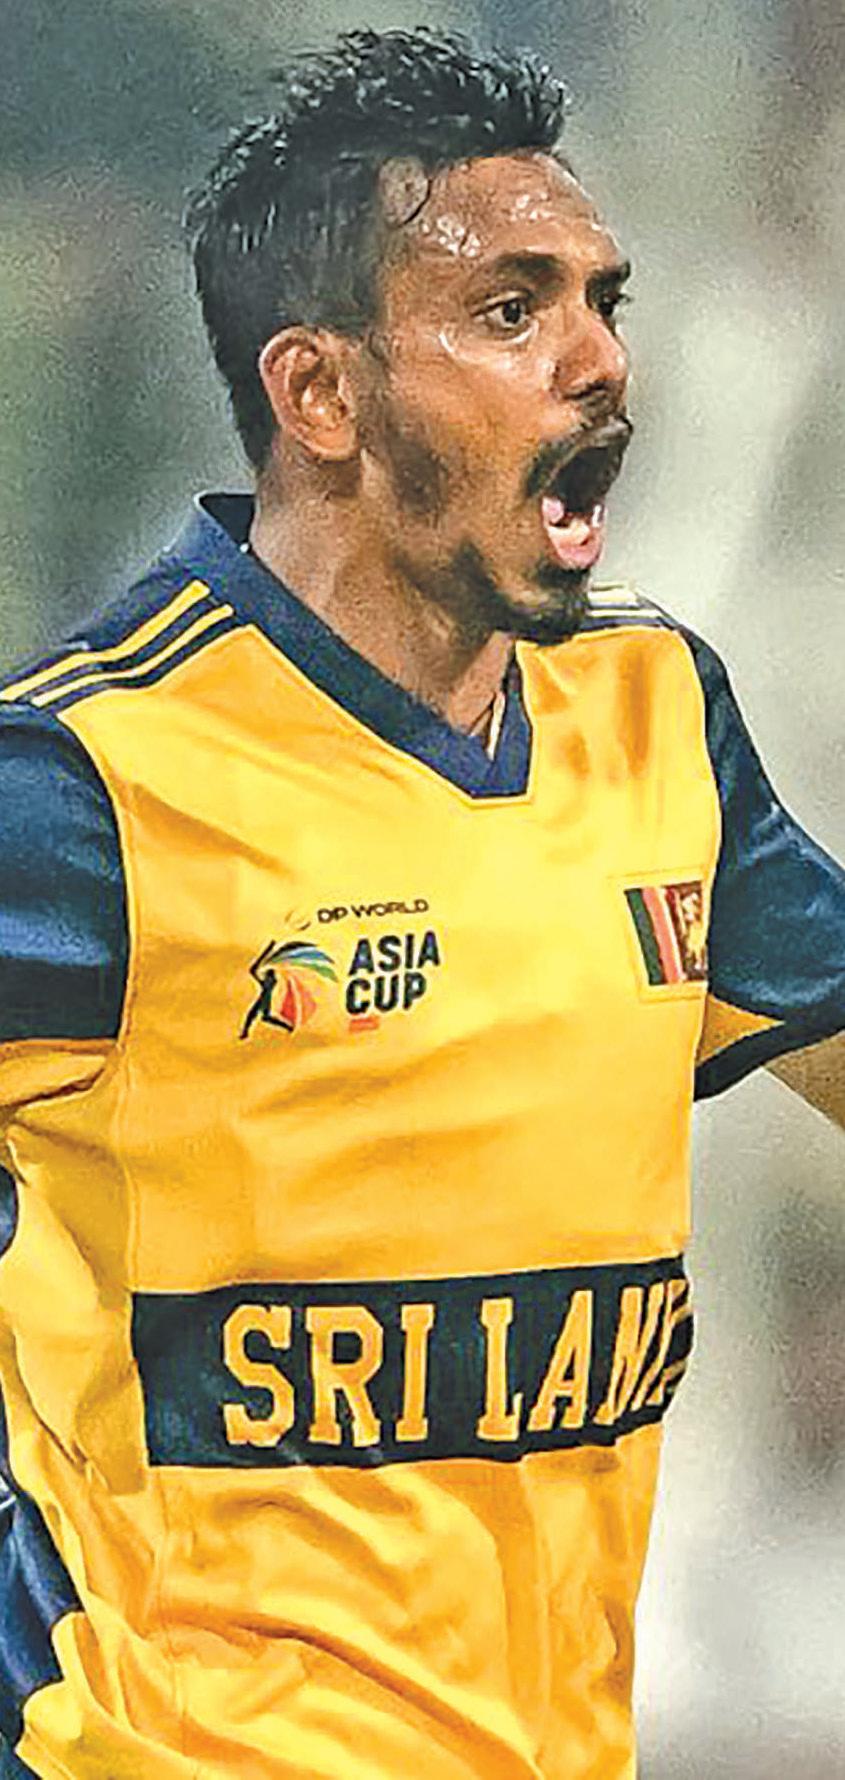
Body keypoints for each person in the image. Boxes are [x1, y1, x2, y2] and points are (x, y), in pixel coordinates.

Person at [0, 26, 842, 1780]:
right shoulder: (85, 782)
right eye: (510, 310)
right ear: (318, 395)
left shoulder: (655, 723)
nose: (599, 359)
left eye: (601, 300)